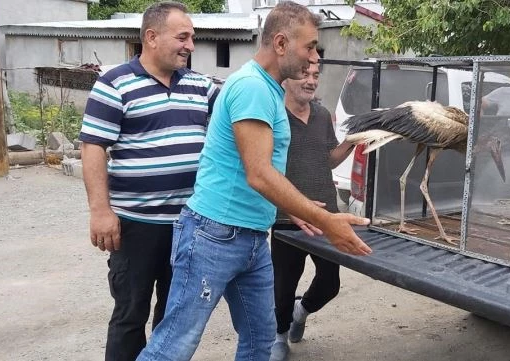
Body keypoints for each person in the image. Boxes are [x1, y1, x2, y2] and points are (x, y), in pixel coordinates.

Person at [136, 3, 372, 361]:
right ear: (280, 43)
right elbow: (259, 173)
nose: (313, 56)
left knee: (261, 342)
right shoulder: (252, 88)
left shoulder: (270, 89)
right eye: (309, 46)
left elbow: (266, 172)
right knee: (173, 346)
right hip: (213, 235)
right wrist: (327, 222)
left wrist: (296, 210)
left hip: (250, 237)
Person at [78, 2, 218, 360]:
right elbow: (93, 147)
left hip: (188, 226)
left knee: (174, 317)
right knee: (130, 314)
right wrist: (100, 212)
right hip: (135, 226)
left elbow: (240, 118)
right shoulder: (115, 84)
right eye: (182, 37)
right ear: (151, 38)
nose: (190, 45)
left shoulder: (201, 87)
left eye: (192, 38)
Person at [269, 61, 356, 361]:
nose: (310, 81)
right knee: (283, 284)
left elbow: (330, 159)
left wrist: (352, 141)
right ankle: (279, 336)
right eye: (304, 74)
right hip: (286, 217)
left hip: (326, 216)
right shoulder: (274, 116)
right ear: (287, 78)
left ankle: (300, 311)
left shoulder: (321, 115)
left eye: (315, 76)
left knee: (330, 283)